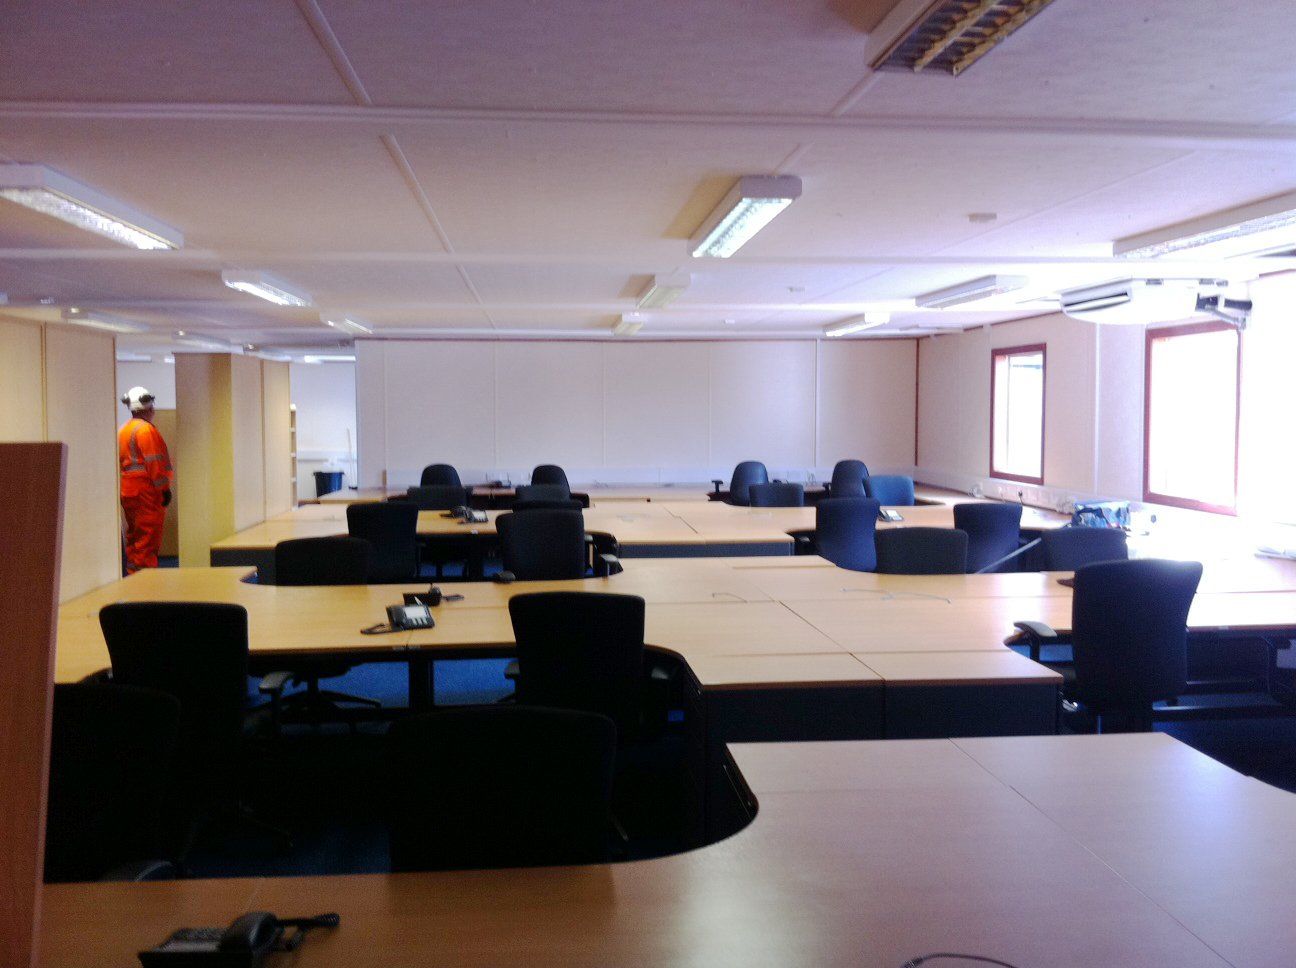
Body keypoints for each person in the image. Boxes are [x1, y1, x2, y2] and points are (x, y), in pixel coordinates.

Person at [118, 386, 173, 574]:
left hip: (129, 492)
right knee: (148, 539)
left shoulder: (123, 430)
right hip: (146, 494)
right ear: (148, 408)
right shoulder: (146, 431)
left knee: (135, 539)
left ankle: (134, 577)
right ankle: (146, 584)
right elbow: (155, 463)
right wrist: (164, 489)